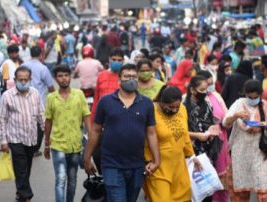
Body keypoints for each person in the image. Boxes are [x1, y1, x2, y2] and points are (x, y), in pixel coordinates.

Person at [84, 63, 160, 202]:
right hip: (111, 164)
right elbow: (95, 130)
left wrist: (156, 160)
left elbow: (151, 133)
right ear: (119, 80)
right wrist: (87, 157)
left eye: (133, 76)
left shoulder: (147, 103)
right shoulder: (105, 102)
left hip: (137, 165)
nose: (130, 79)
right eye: (126, 76)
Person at [143, 85, 201, 202]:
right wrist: (148, 161)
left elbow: (184, 135)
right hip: (157, 166)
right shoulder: (150, 110)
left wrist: (192, 155)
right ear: (162, 102)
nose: (174, 110)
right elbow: (144, 138)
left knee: (183, 199)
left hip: (178, 166)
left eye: (177, 107)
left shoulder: (182, 109)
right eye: (170, 107)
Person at [223, 80, 267, 202]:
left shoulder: (266, 107)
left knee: (263, 185)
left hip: (260, 153)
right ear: (245, 94)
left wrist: (265, 125)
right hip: (241, 153)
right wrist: (235, 116)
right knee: (241, 188)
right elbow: (225, 123)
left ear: (260, 95)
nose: (252, 100)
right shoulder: (238, 104)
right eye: (250, 97)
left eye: (255, 97)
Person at [44, 64, 91, 202]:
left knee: (72, 179)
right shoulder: (51, 98)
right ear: (55, 79)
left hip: (75, 145)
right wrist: (46, 144)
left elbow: (86, 117)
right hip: (58, 144)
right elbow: (48, 121)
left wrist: (90, 140)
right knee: (61, 178)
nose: (64, 79)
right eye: (60, 76)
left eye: (66, 75)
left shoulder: (79, 94)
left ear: (70, 77)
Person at [0, 66, 45, 202]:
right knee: (20, 166)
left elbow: (41, 114)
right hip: (15, 137)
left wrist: (47, 136)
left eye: (26, 79)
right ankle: (26, 197)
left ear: (30, 79)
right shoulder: (7, 96)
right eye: (20, 80)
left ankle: (20, 192)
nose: (23, 82)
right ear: (15, 79)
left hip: (31, 137)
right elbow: (2, 119)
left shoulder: (35, 93)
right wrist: (3, 141)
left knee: (27, 166)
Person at [197, 71, 230, 202]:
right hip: (203, 143)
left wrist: (223, 121)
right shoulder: (192, 99)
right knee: (206, 176)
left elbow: (226, 115)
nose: (210, 87)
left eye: (212, 84)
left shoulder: (216, 96)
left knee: (221, 176)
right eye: (207, 84)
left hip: (220, 141)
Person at [22, 46, 55, 156]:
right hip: (39, 102)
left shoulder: (23, 66)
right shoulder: (43, 68)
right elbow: (51, 87)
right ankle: (34, 148)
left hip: (23, 100)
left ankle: (26, 146)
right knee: (40, 126)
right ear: (41, 54)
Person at [91, 48, 124, 122]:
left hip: (119, 117)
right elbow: (96, 99)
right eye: (114, 59)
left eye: (119, 60)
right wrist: (93, 120)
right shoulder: (101, 75)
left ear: (123, 61)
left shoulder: (125, 77)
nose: (116, 62)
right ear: (109, 59)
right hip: (102, 117)